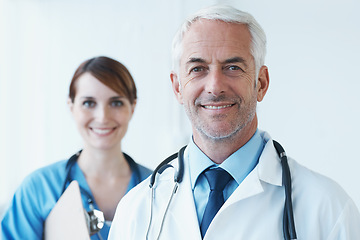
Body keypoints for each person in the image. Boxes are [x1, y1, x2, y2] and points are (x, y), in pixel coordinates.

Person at [108, 5, 360, 240]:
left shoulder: (327, 209)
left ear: (261, 83)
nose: (215, 86)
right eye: (197, 68)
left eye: (233, 67)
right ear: (177, 88)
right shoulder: (138, 209)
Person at [1, 56, 152, 239]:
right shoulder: (39, 188)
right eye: (89, 103)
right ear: (71, 106)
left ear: (133, 107)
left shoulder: (157, 188)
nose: (102, 117)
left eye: (116, 102)